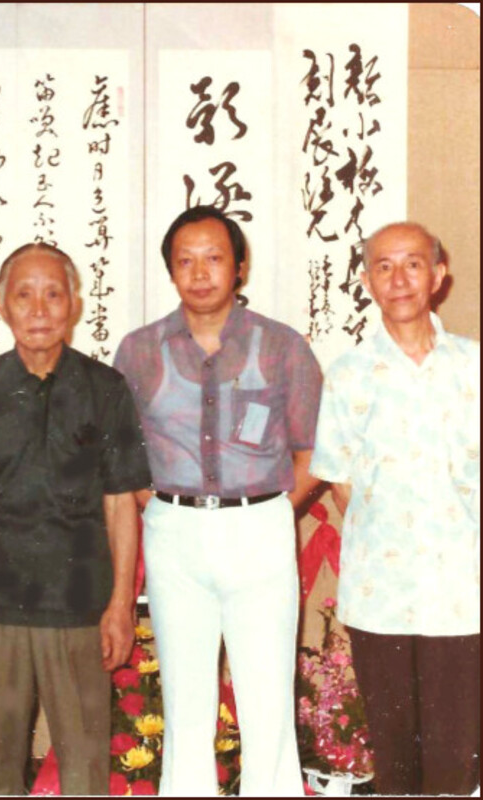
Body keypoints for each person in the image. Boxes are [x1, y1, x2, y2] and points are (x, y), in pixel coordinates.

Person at [113, 205, 322, 795]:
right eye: (186, 261)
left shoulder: (281, 346)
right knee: (183, 698)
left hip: (259, 527)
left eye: (214, 258)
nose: (200, 272)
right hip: (174, 531)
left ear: (239, 266)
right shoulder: (139, 351)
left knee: (267, 698)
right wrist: (157, 507)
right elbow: (120, 453)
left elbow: (311, 450)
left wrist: (275, 508)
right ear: (170, 272)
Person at [0, 242, 151, 794]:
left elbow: (120, 502)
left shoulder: (104, 390)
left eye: (53, 294)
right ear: (1, 305)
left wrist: (120, 604)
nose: (39, 309)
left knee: (84, 773)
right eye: (24, 294)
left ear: (74, 305)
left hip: (81, 609)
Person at [309, 222, 479, 795]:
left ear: (438, 275)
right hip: (380, 595)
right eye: (384, 266)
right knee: (396, 759)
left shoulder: (473, 368)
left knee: (457, 759)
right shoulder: (348, 374)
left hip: (462, 593)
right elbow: (341, 486)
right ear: (366, 280)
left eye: (412, 264)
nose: (399, 278)